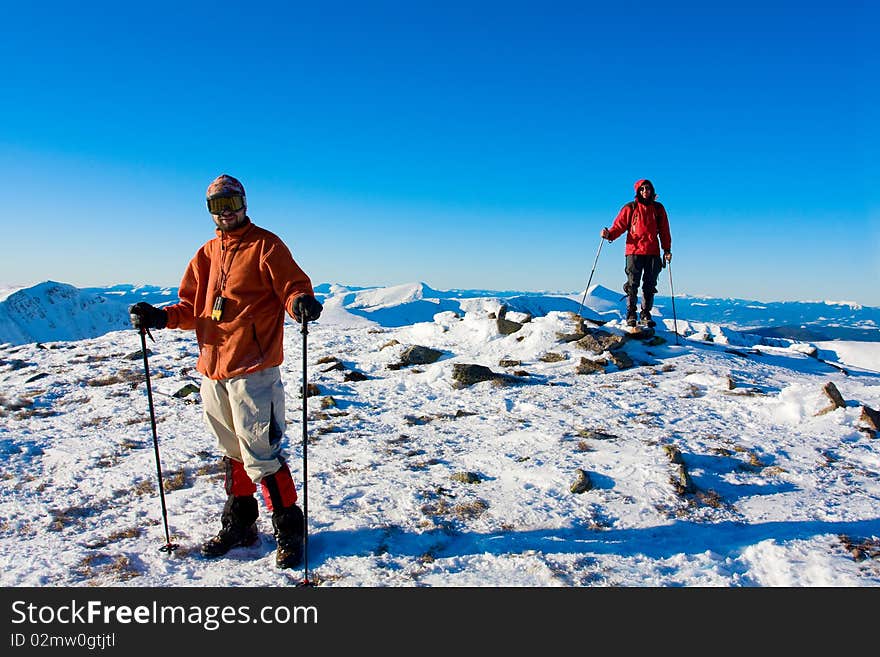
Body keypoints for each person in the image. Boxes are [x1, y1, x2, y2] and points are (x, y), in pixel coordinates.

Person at [128, 173, 323, 569]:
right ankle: (241, 525)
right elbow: (191, 307)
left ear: (244, 204)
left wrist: (301, 302)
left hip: (254, 369)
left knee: (262, 454)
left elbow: (291, 286)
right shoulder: (205, 254)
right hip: (213, 368)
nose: (227, 213)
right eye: (218, 207)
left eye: (232, 204)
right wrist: (159, 317)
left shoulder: (265, 245)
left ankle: (290, 530)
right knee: (232, 452)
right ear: (210, 211)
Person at [600, 178, 672, 327]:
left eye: (648, 188)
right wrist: (609, 234)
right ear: (638, 191)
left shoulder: (658, 209)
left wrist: (667, 250)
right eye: (642, 189)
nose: (645, 191)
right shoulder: (630, 208)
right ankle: (631, 314)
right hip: (634, 250)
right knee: (633, 284)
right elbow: (619, 225)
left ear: (652, 190)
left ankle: (645, 314)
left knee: (650, 284)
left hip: (652, 251)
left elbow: (664, 230)